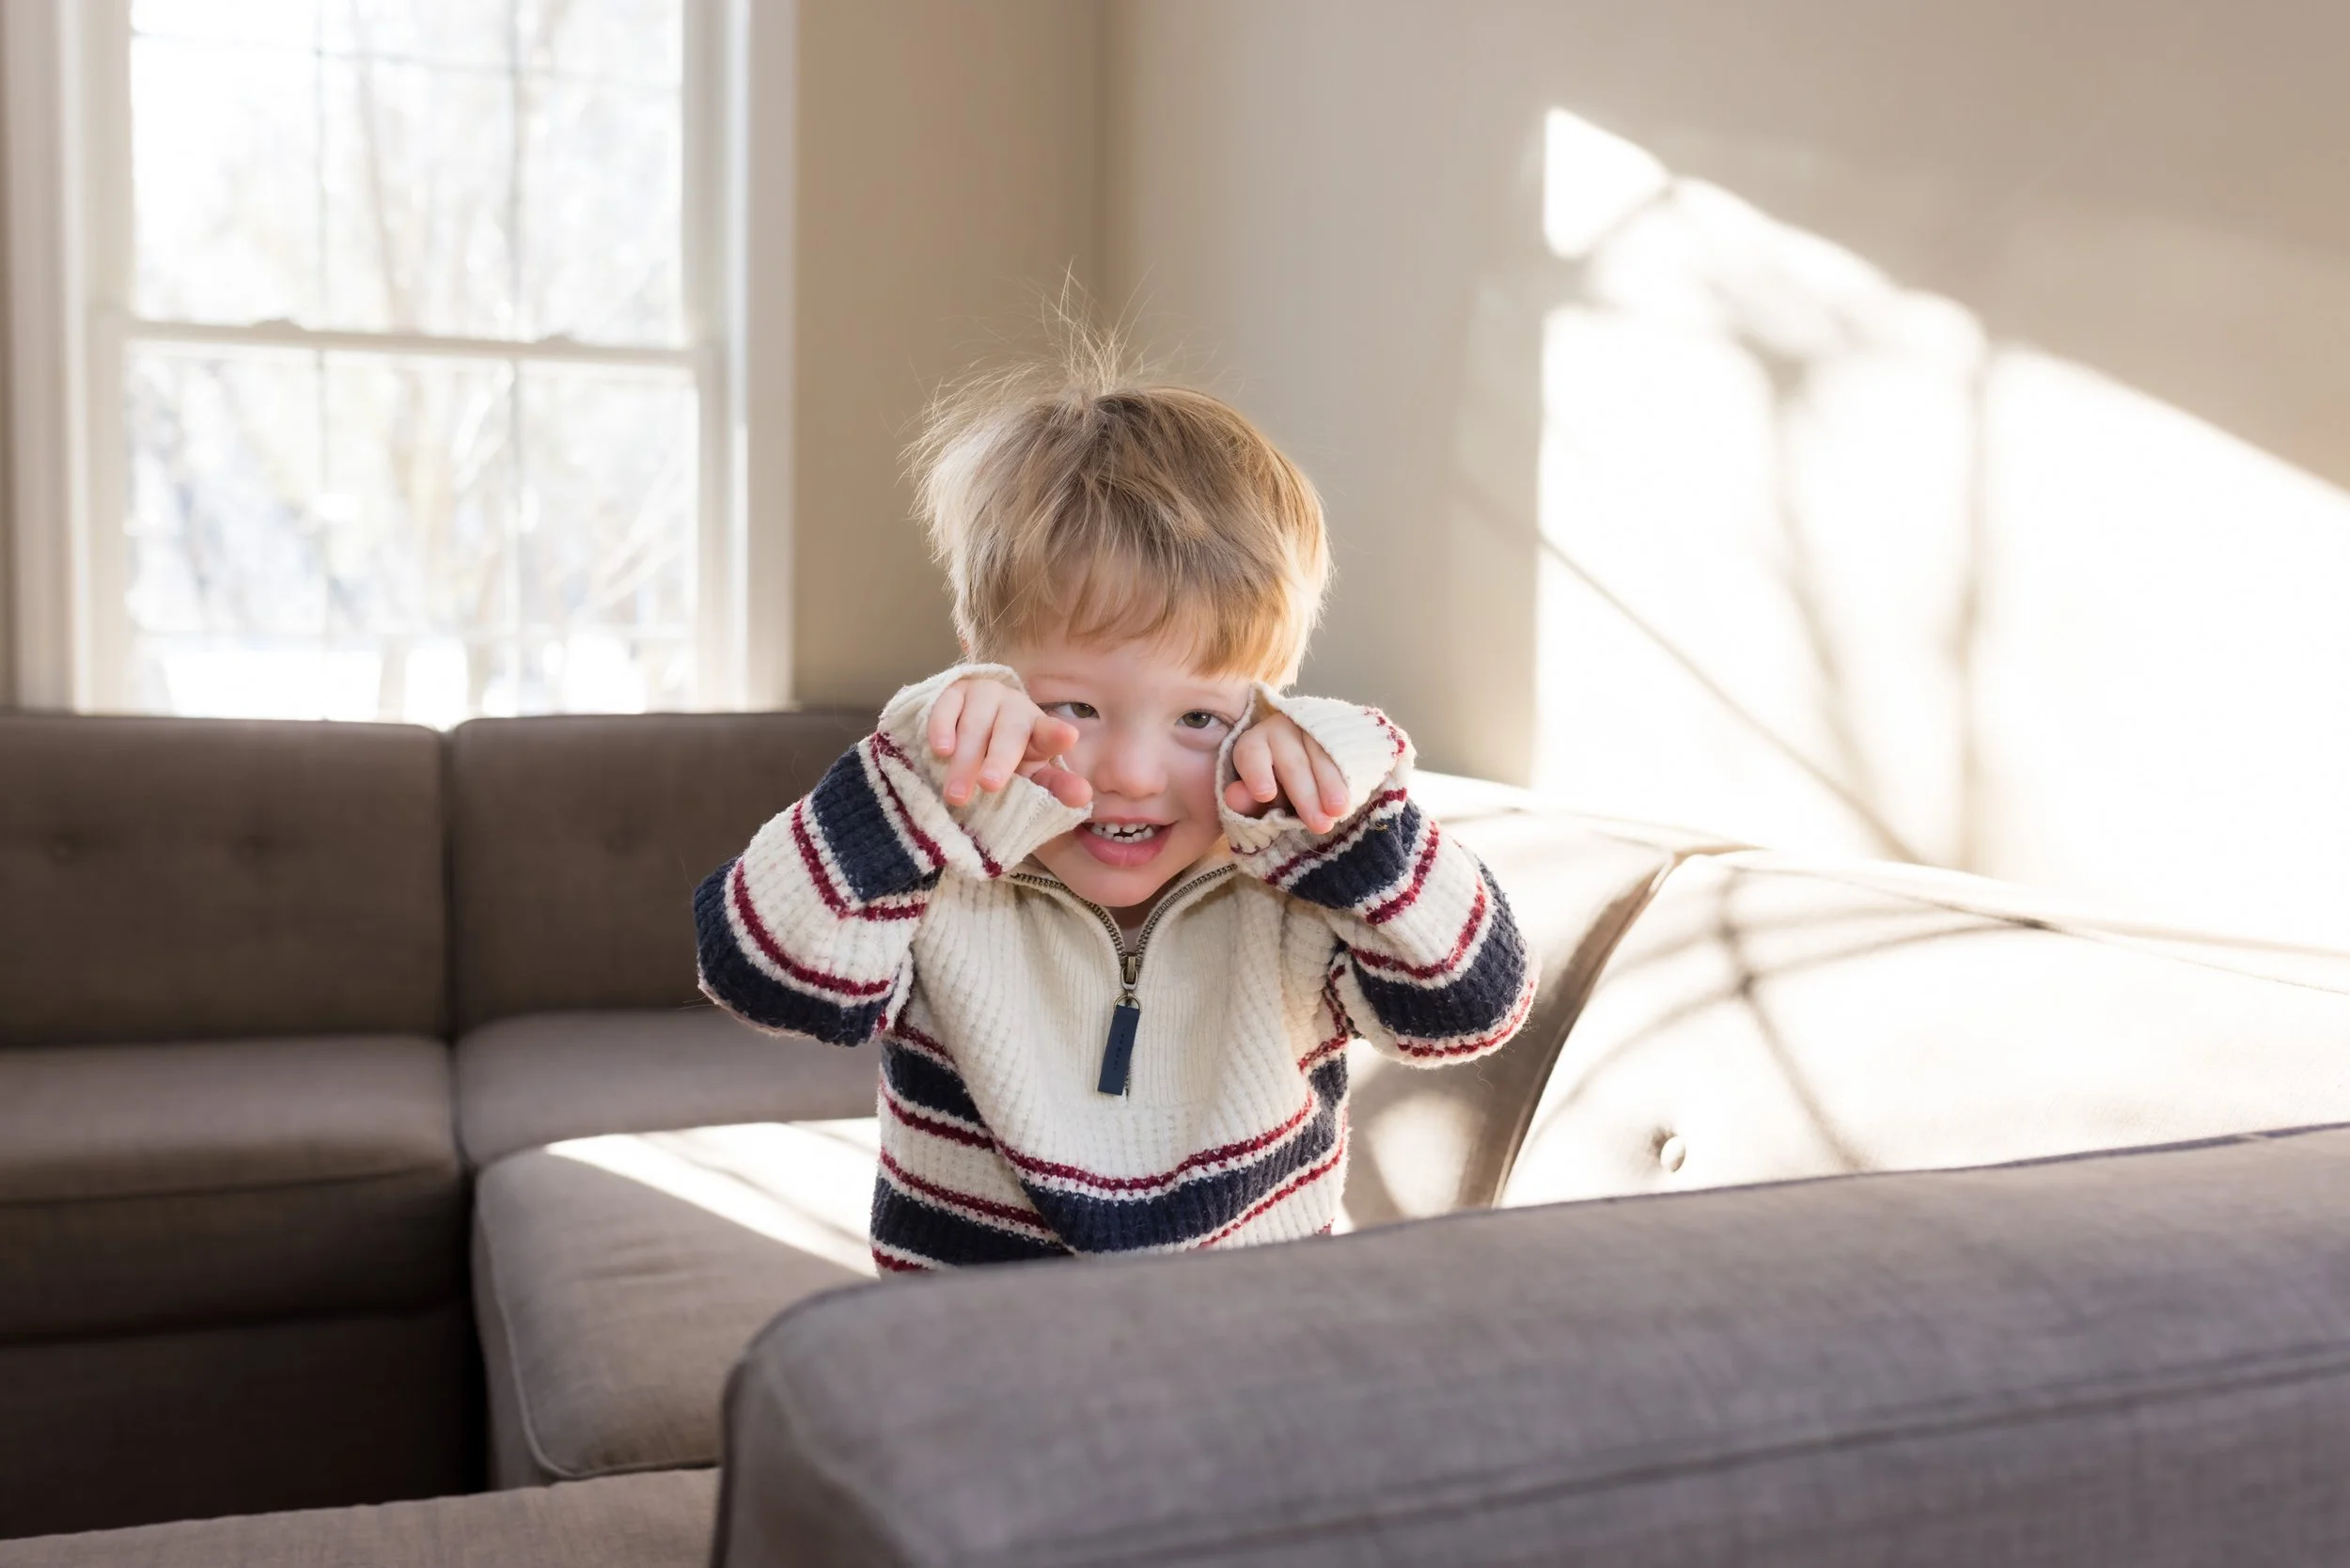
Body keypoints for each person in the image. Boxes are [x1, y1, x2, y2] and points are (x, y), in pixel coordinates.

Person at [693, 341, 1535, 1271]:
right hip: (972, 1365)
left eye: (1200, 717)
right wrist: (913, 780)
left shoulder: (1300, 884)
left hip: (1248, 1355)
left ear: (1269, 705)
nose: (1130, 772)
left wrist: (1348, 817)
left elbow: (1471, 1010)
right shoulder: (939, 864)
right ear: (984, 669)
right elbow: (759, 974)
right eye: (1073, 709)